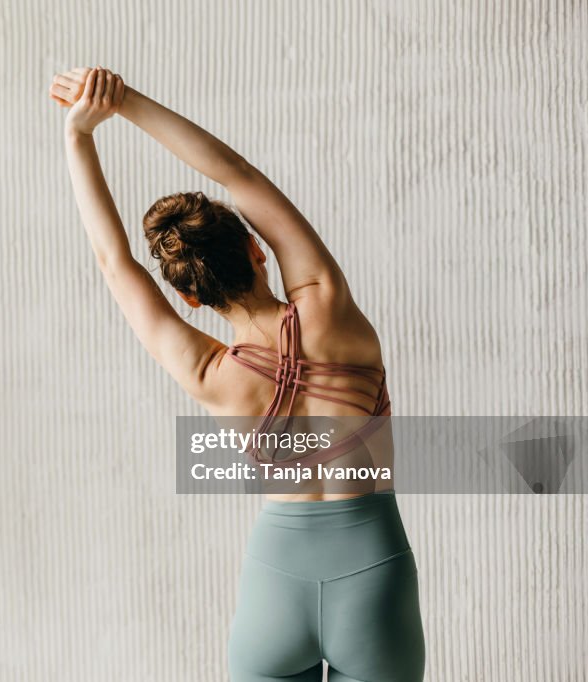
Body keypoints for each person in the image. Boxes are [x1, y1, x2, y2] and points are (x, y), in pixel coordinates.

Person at [49, 66, 425, 681]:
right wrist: (125, 101)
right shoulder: (327, 304)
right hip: (373, 574)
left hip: (275, 584)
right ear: (257, 249)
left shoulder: (207, 372)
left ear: (190, 297)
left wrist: (78, 136)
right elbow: (236, 174)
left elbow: (116, 264)